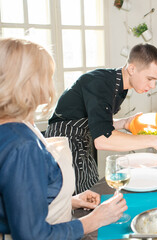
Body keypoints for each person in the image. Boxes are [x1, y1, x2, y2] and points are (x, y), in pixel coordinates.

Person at [0, 38, 127, 239]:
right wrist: (94, 220)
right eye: (48, 75)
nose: (51, 83)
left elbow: (19, 201)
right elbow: (32, 236)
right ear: (28, 81)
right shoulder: (21, 144)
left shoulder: (19, 125)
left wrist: (71, 200)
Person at [46, 43, 157, 194]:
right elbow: (103, 139)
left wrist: (124, 123)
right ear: (132, 69)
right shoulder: (100, 83)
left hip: (82, 139)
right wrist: (154, 140)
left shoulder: (119, 86)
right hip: (64, 144)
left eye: (156, 80)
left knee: (91, 189)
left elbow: (98, 123)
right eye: (149, 78)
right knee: (75, 196)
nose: (153, 85)